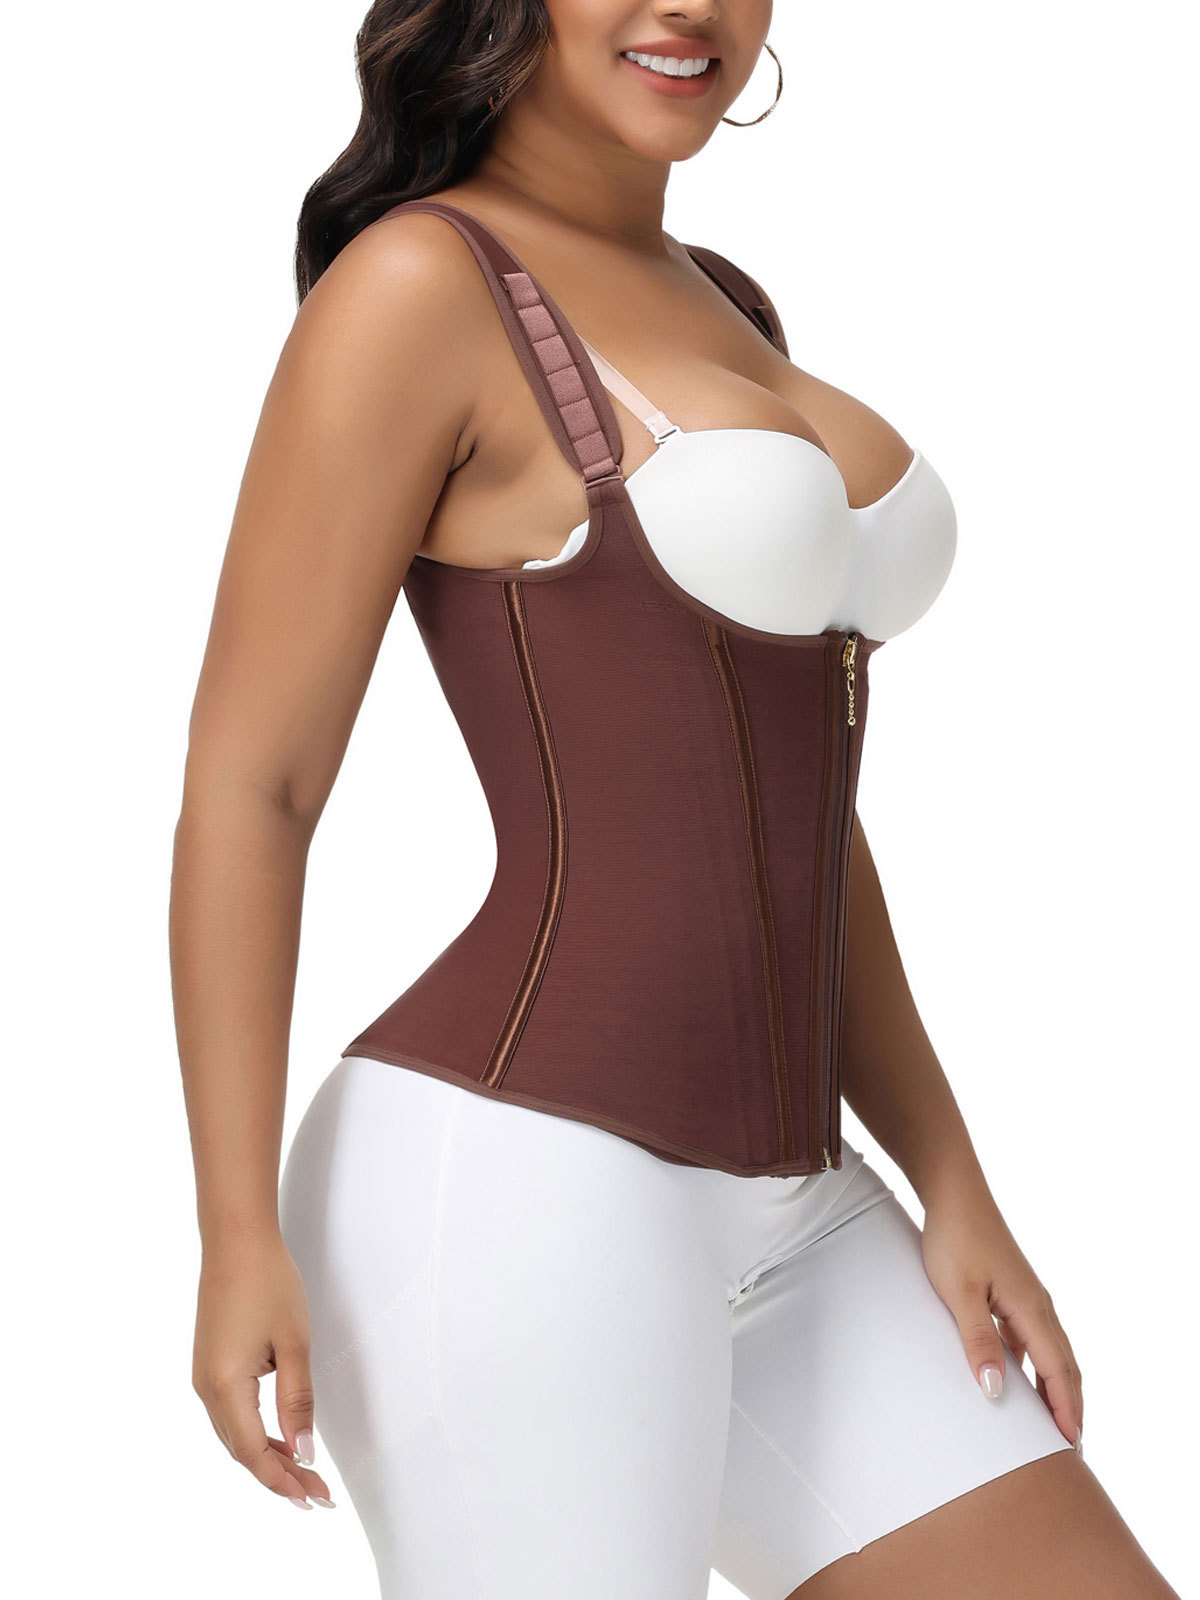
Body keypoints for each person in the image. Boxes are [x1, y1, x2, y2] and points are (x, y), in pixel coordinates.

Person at [171, 3, 1181, 1597]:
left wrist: (950, 1175)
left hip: (806, 1205)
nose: (688, 7)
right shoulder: (423, 286)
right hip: (514, 1181)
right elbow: (256, 785)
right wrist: (237, 1232)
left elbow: (802, 823)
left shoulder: (724, 299)